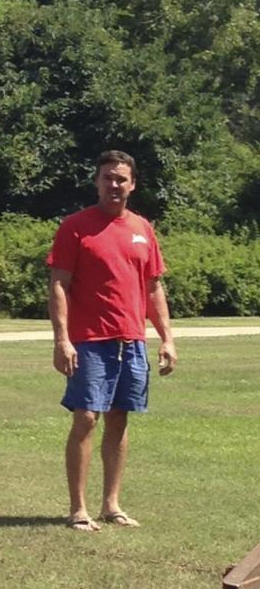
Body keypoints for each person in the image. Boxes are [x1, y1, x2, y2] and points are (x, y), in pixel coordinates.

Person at [47, 149, 177, 532]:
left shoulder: (142, 229)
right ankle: (78, 510)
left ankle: (112, 505)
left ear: (132, 184)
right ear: (97, 182)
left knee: (119, 420)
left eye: (121, 178)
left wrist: (167, 338)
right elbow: (59, 284)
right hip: (89, 341)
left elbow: (153, 287)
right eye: (107, 177)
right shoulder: (75, 227)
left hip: (131, 340)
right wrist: (62, 340)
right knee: (86, 418)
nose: (114, 184)